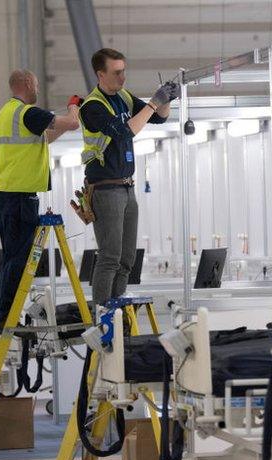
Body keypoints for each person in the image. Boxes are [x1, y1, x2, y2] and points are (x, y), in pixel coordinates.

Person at [79, 48, 177, 306]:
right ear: (101, 74)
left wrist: (165, 100)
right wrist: (154, 101)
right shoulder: (92, 107)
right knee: (110, 256)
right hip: (105, 189)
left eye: (124, 71)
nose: (123, 77)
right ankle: (102, 315)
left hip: (126, 188)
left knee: (127, 259)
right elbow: (124, 132)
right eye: (117, 72)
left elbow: (157, 118)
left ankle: (118, 308)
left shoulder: (122, 96)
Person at [0, 69, 80, 334]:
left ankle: (3, 313)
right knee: (19, 258)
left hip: (8, 194)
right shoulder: (27, 113)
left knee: (11, 257)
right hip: (21, 196)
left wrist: (62, 124)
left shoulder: (7, 114)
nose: (38, 89)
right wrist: (73, 108)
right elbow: (72, 123)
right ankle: (4, 316)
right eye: (37, 84)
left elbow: (45, 137)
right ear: (28, 83)